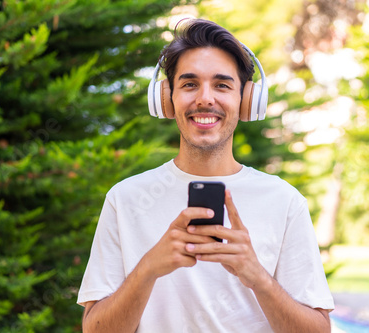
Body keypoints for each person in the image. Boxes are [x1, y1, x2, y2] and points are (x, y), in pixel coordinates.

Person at [77, 18, 334, 332]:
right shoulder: (125, 199)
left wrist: (258, 278)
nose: (205, 99)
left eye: (222, 85)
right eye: (189, 84)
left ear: (248, 101)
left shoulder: (285, 201)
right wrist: (148, 268)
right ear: (166, 99)